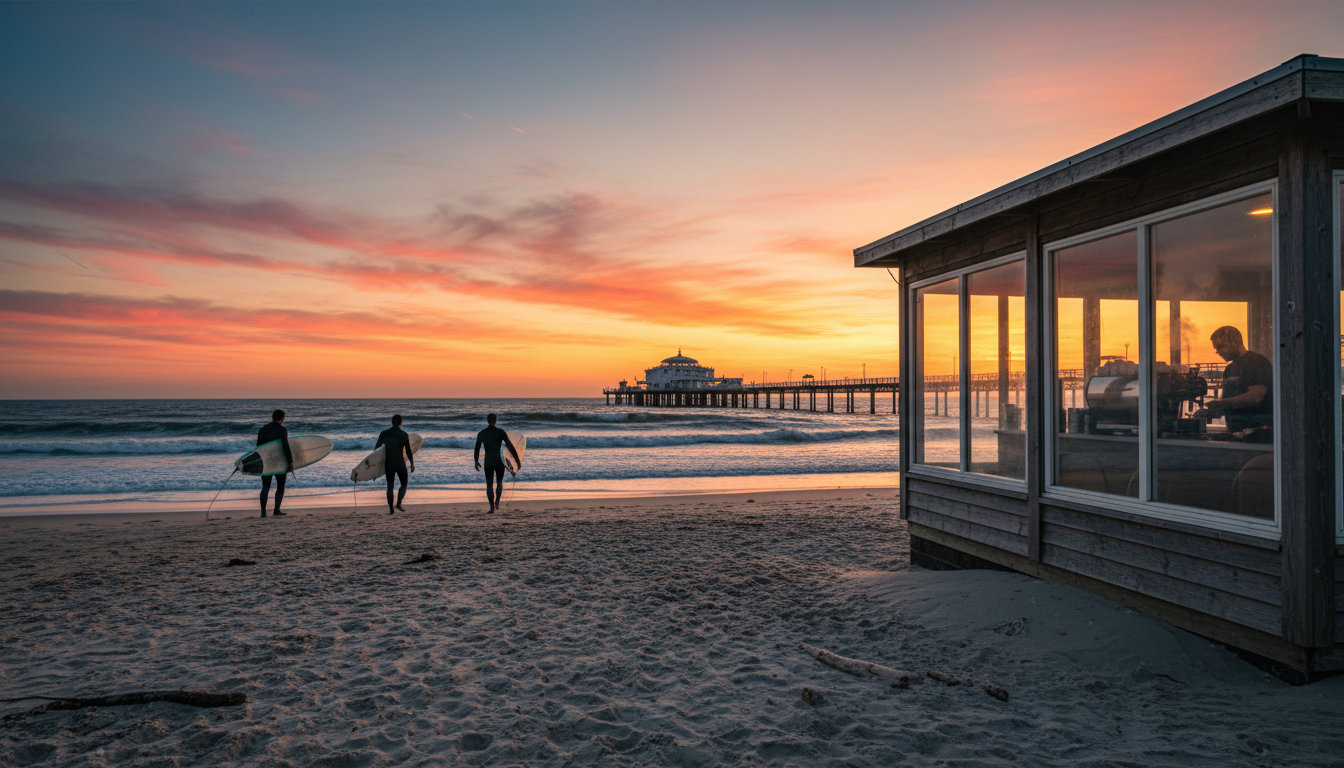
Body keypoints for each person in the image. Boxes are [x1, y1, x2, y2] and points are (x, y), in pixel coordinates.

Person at [1203, 326, 1273, 437]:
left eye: (1221, 347)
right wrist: (1214, 411)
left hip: (1256, 433)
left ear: (1235, 342)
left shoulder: (1257, 362)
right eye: (1216, 348)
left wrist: (1221, 403)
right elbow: (1230, 402)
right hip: (1235, 433)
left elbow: (1256, 396)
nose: (1218, 352)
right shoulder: (1229, 369)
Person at [474, 413, 519, 513]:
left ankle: (491, 508)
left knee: (489, 485)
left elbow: (477, 448)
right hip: (499, 461)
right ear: (496, 420)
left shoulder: (482, 433)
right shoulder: (500, 432)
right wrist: (517, 461)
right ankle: (497, 502)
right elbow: (510, 447)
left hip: (488, 461)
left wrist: (476, 461)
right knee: (499, 482)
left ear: (487, 420)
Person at [257, 409, 293, 518]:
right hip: (279, 461)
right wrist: (290, 462)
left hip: (266, 461)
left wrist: (259, 462)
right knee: (280, 486)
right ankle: (276, 510)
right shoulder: (282, 430)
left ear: (272, 417)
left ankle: (263, 513)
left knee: (265, 487)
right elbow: (285, 447)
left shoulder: (262, 429)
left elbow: (258, 447)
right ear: (282, 418)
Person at [377, 414, 415, 515]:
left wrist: (375, 465)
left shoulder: (384, 434)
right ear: (401, 422)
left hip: (388, 463)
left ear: (392, 422)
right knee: (404, 484)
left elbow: (376, 450)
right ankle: (398, 504)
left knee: (390, 487)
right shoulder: (403, 435)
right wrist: (412, 463)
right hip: (399, 463)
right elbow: (408, 451)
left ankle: (391, 509)